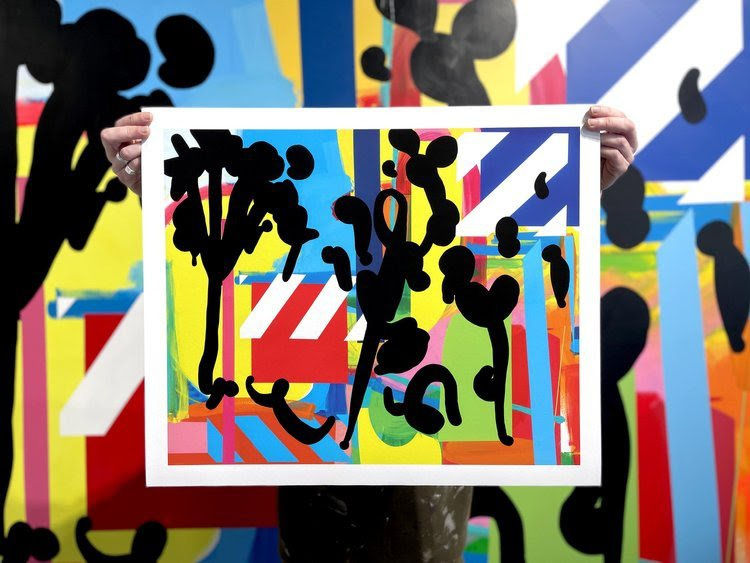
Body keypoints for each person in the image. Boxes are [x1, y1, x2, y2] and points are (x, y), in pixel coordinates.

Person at [102, 106, 637, 562]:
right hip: (317, 482)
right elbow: (226, 261)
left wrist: (578, 180)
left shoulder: (450, 227)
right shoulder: (305, 239)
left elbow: (509, 249)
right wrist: (165, 191)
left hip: (425, 484)